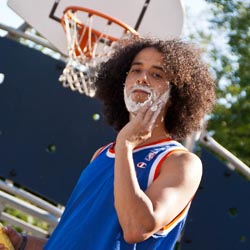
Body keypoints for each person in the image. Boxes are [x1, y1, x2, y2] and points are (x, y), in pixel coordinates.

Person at [0, 36, 215, 250]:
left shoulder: (180, 162)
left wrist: (125, 144)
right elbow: (76, 241)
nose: (142, 78)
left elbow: (136, 228)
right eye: (136, 70)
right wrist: (24, 243)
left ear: (176, 94)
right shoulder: (103, 154)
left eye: (157, 74)